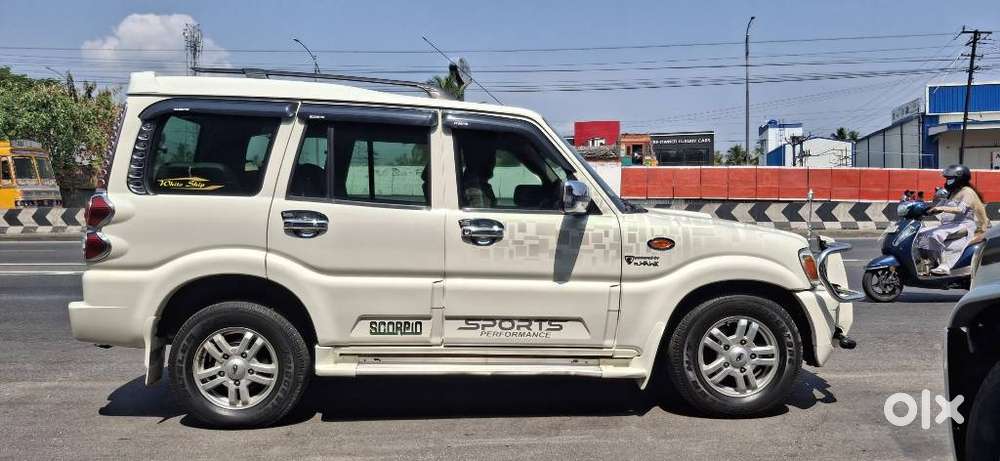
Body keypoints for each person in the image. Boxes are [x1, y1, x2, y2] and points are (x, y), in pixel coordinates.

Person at [915, 164, 989, 275]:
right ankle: (931, 262)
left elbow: (960, 209)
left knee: (936, 235)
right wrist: (925, 210)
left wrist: (941, 208)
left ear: (959, 179)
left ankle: (944, 265)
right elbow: (938, 207)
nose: (947, 181)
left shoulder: (967, 192)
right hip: (949, 225)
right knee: (920, 234)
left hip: (963, 225)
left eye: (950, 179)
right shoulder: (952, 193)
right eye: (947, 179)